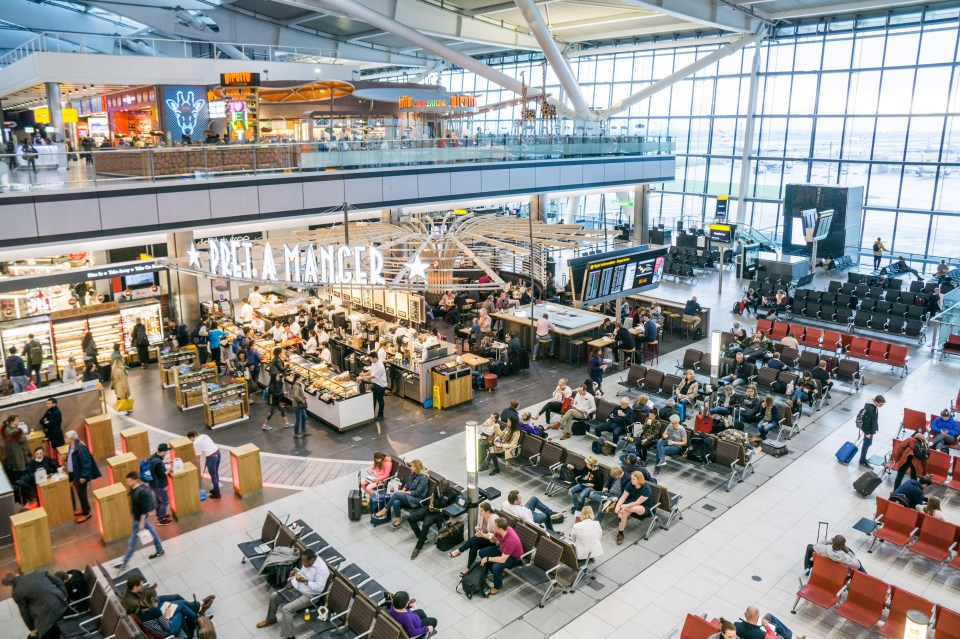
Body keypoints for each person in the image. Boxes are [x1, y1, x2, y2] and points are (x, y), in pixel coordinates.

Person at [256, 548, 329, 639]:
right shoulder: (306, 562)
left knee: (286, 609)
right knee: (274, 596)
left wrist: (305, 581)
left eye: (305, 562)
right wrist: (291, 580)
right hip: (298, 588)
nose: (303, 564)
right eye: (302, 561)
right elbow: (301, 574)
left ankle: (290, 636)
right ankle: (271, 619)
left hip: (310, 595)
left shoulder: (322, 570)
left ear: (312, 560)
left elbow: (319, 588)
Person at [114, 471, 164, 571]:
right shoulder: (135, 488)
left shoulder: (141, 492)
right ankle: (160, 549)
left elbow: (144, 509)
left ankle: (125, 562)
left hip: (139, 519)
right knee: (151, 532)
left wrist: (141, 522)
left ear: (135, 480)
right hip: (138, 518)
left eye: (129, 481)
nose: (127, 483)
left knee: (133, 542)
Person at [3, 570, 69, 639]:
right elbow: (58, 581)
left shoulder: (16, 593)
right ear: (16, 575)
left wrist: (32, 629)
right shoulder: (38, 572)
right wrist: (64, 596)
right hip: (61, 603)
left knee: (43, 634)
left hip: (48, 616)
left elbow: (25, 613)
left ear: (10, 585)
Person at [408, 479, 459, 559]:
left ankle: (418, 547)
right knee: (410, 518)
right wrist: (431, 504)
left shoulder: (452, 494)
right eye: (441, 487)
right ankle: (422, 537)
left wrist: (437, 510)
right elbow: (433, 496)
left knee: (425, 525)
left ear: (448, 487)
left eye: (443, 489)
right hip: (430, 508)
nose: (441, 489)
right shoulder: (438, 486)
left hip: (439, 513)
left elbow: (450, 508)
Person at [121, 574, 213, 616]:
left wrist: (149, 589)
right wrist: (151, 595)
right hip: (153, 608)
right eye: (141, 585)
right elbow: (147, 607)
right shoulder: (133, 602)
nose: (142, 586)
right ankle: (199, 609)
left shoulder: (130, 589)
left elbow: (142, 597)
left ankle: (198, 606)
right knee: (180, 604)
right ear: (135, 587)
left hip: (150, 601)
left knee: (176, 596)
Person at [477, 517, 524, 595]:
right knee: (482, 552)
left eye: (495, 526)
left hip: (514, 558)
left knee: (496, 566)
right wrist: (482, 535)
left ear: (499, 528)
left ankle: (497, 586)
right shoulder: (502, 530)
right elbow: (494, 539)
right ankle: (498, 573)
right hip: (502, 550)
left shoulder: (511, 540)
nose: (493, 527)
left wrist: (487, 558)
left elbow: (502, 560)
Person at [378, 459, 428, 527]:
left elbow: (417, 492)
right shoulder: (413, 473)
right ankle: (398, 519)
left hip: (417, 499)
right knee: (396, 502)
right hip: (409, 496)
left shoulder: (424, 477)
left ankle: (384, 510)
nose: (410, 467)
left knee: (397, 494)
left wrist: (404, 492)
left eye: (412, 466)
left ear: (416, 467)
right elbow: (408, 483)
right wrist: (404, 489)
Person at [64, 430, 99, 523]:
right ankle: (84, 509)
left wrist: (84, 476)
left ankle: (86, 513)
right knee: (79, 493)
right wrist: (66, 458)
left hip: (80, 475)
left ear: (71, 438)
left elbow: (86, 463)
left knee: (82, 494)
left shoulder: (80, 448)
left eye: (66, 437)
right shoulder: (72, 446)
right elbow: (73, 457)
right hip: (75, 474)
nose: (65, 439)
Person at [450, 501, 496, 569]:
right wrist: (478, 530)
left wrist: (483, 535)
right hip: (482, 538)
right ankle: (469, 567)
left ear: (487, 512)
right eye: (480, 510)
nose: (479, 512)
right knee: (474, 545)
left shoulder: (494, 519)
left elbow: (495, 537)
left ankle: (459, 550)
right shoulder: (480, 516)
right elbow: (478, 526)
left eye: (481, 511)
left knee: (476, 539)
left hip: (491, 541)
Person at [614, 471, 653, 545]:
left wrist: (623, 506)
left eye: (633, 479)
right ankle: (620, 534)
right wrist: (617, 506)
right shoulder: (630, 484)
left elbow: (637, 502)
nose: (631, 480)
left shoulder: (646, 489)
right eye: (631, 478)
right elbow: (623, 497)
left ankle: (619, 507)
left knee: (635, 508)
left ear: (639, 479)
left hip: (644, 508)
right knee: (622, 513)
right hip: (630, 505)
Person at [187, 430, 221, 499]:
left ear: (192, 437)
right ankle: (215, 488)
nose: (191, 441)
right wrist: (207, 459)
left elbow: (197, 458)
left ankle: (217, 493)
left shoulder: (196, 442)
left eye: (190, 439)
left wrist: (196, 468)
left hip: (212, 458)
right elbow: (208, 447)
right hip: (218, 453)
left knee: (213, 475)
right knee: (215, 472)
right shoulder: (204, 435)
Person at [736, 605, 804, 639]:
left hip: (751, 630)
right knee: (780, 634)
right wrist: (766, 626)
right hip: (761, 635)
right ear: (757, 617)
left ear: (745, 614)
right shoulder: (761, 634)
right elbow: (774, 638)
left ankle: (791, 637)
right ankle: (792, 637)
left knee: (769, 616)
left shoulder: (736, 625)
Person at [147, 444, 173, 526]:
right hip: (159, 485)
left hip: (152, 484)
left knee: (158, 500)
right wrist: (169, 469)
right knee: (165, 501)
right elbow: (162, 474)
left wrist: (164, 462)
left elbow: (154, 467)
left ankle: (159, 514)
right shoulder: (158, 462)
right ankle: (161, 519)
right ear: (162, 452)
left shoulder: (153, 456)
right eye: (165, 451)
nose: (166, 453)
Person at [357, 352, 387, 422]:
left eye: (370, 358)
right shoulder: (374, 363)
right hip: (375, 384)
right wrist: (364, 374)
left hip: (380, 385)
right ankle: (371, 414)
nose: (370, 360)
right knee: (373, 399)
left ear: (374, 358)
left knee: (380, 400)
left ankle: (381, 415)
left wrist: (362, 378)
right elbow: (371, 370)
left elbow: (372, 376)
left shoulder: (380, 366)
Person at [858, 395, 885, 468]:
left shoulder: (872, 405)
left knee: (868, 444)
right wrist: (867, 433)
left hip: (870, 429)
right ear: (876, 402)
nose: (881, 406)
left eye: (882, 404)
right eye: (880, 404)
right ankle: (862, 461)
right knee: (866, 445)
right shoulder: (871, 408)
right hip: (868, 430)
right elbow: (866, 421)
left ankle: (863, 459)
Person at [288, 373, 309, 438]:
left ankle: (303, 431)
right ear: (298, 378)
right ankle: (295, 433)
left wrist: (304, 397)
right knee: (298, 419)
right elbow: (295, 395)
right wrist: (302, 400)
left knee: (304, 417)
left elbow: (299, 394)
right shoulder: (296, 386)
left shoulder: (298, 384)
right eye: (301, 377)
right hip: (297, 405)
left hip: (299, 405)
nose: (302, 378)